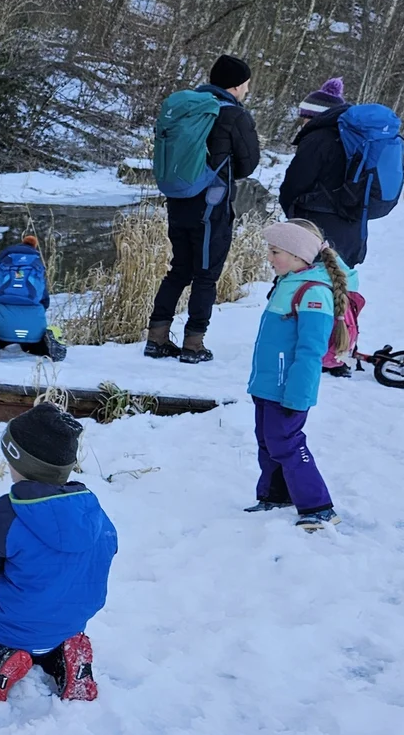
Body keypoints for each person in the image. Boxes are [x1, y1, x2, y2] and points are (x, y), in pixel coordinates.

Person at [0, 403, 117, 702]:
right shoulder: (95, 514)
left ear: (19, 462)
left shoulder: (12, 513)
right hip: (68, 623)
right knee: (43, 614)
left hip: (12, 625)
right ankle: (62, 657)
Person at [147, 54, 261, 364]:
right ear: (236, 86)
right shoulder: (234, 116)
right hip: (212, 206)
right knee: (206, 276)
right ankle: (193, 345)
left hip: (178, 200)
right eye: (247, 85)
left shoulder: (186, 108)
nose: (247, 91)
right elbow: (248, 164)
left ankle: (156, 339)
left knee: (179, 270)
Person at [244, 218, 349, 530]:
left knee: (287, 443)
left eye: (275, 251)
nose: (269, 257)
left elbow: (310, 351)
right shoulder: (287, 284)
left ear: (297, 255)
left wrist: (298, 395)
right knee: (267, 441)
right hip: (267, 385)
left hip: (288, 389)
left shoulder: (313, 292)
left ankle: (318, 507)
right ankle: (275, 495)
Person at [279, 78, 369, 267]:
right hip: (351, 229)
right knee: (338, 288)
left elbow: (295, 183)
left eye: (305, 116)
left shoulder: (317, 139)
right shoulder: (355, 140)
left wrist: (291, 212)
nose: (303, 121)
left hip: (319, 229)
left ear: (314, 116)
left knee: (304, 288)